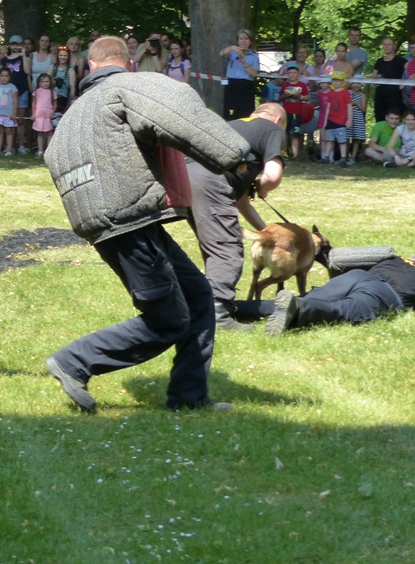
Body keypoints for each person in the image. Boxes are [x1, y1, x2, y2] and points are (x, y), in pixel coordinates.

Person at [43, 35, 250, 413]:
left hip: (112, 220)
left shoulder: (75, 111)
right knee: (168, 319)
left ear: (90, 65)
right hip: (128, 220)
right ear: (128, 62)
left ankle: (189, 397)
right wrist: (234, 153)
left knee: (199, 296)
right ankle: (74, 361)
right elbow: (174, 109)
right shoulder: (127, 87)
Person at [186, 102, 287, 332]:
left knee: (213, 246)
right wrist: (262, 187)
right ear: (277, 120)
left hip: (186, 178)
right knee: (226, 248)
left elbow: (239, 201)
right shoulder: (272, 128)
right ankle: (219, 316)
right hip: (210, 182)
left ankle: (201, 305)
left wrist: (268, 231)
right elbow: (272, 176)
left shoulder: (231, 126)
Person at [265, 254, 415, 336]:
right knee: (340, 310)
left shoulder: (401, 258)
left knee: (305, 298)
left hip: (358, 275)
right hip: (385, 293)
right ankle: (299, 308)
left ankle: (242, 308)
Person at [0, 36, 30, 154]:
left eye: (18, 44)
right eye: (13, 44)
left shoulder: (25, 57)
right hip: (8, 92)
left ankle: (21, 145)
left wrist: (23, 55)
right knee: (8, 120)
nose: (15, 46)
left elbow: (27, 71)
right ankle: (9, 146)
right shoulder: (5, 60)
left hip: (22, 90)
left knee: (20, 120)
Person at [219, 29, 260, 119]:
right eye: (241, 39)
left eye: (246, 39)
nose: (244, 41)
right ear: (238, 41)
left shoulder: (254, 56)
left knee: (245, 113)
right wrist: (232, 48)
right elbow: (221, 53)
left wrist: (245, 63)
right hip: (231, 84)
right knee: (230, 111)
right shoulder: (231, 53)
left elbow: (254, 74)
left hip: (245, 85)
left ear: (250, 41)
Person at [368, 36, 406, 122]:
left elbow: (411, 68)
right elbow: (374, 77)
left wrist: (406, 82)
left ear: (394, 46)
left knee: (394, 122)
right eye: (385, 44)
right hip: (380, 97)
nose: (387, 46)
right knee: (380, 121)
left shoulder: (400, 60)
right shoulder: (379, 61)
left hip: (395, 98)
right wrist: (376, 79)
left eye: (389, 44)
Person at [278, 62, 310, 159]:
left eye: (294, 72)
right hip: (286, 112)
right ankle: (283, 153)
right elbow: (280, 98)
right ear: (287, 74)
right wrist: (285, 95)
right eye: (290, 72)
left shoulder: (302, 85)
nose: (292, 75)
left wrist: (299, 96)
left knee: (295, 134)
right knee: (284, 133)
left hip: (297, 113)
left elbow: (307, 97)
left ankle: (295, 155)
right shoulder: (285, 85)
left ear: (298, 73)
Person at [320, 70, 352, 165]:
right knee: (329, 140)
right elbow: (328, 107)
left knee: (342, 141)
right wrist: (325, 121)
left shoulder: (345, 92)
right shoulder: (331, 93)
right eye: (334, 80)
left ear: (343, 81)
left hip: (341, 121)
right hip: (330, 120)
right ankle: (326, 157)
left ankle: (343, 158)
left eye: (338, 80)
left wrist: (349, 119)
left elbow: (349, 106)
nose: (336, 82)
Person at [0, 67, 18, 156]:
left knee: (9, 131)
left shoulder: (13, 87)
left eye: (6, 76)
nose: (4, 78)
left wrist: (14, 113)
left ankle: (9, 150)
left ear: (9, 77)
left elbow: (15, 101)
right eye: (2, 76)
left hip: (8, 114)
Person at [31, 72, 56, 156]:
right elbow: (34, 103)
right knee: (40, 133)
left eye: (47, 81)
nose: (45, 84)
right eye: (43, 82)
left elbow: (54, 103)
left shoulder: (52, 92)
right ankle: (40, 150)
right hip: (39, 115)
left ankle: (49, 150)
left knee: (49, 133)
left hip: (48, 116)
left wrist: (53, 111)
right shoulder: (37, 91)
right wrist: (33, 114)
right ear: (39, 82)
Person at [346, 79, 367, 165]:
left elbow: (363, 109)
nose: (357, 85)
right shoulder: (346, 92)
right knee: (346, 137)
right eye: (355, 83)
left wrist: (355, 103)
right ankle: (345, 156)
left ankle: (353, 157)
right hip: (347, 117)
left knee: (356, 138)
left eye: (359, 83)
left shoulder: (362, 95)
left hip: (358, 118)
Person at [51, 46, 75, 112]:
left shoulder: (70, 70)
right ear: (58, 56)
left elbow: (72, 87)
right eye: (61, 55)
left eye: (65, 55)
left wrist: (71, 100)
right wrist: (51, 83)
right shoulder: (52, 67)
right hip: (50, 96)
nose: (63, 57)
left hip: (62, 98)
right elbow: (44, 81)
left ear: (68, 57)